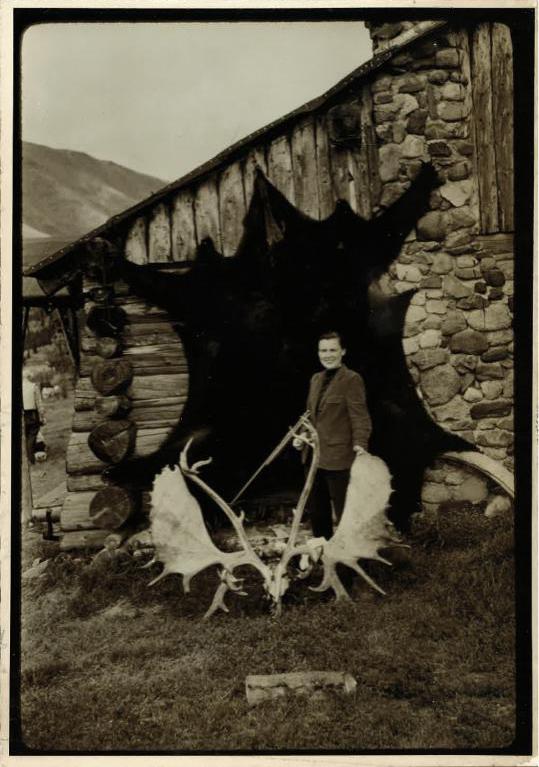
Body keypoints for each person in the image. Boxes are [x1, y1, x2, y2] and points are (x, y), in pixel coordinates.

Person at [293, 331, 372, 540]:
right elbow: (310, 415)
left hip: (340, 458)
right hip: (313, 458)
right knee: (318, 514)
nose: (327, 355)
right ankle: (325, 557)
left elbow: (360, 417)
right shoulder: (315, 379)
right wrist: (301, 435)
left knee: (345, 514)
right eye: (323, 350)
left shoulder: (352, 379)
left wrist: (360, 445)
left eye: (332, 350)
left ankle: (347, 567)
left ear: (343, 351)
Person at [22, 371, 45, 464]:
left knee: (27, 436)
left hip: (23, 413)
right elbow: (38, 403)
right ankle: (30, 459)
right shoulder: (33, 386)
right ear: (29, 377)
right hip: (32, 414)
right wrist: (42, 416)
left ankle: (27, 458)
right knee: (32, 435)